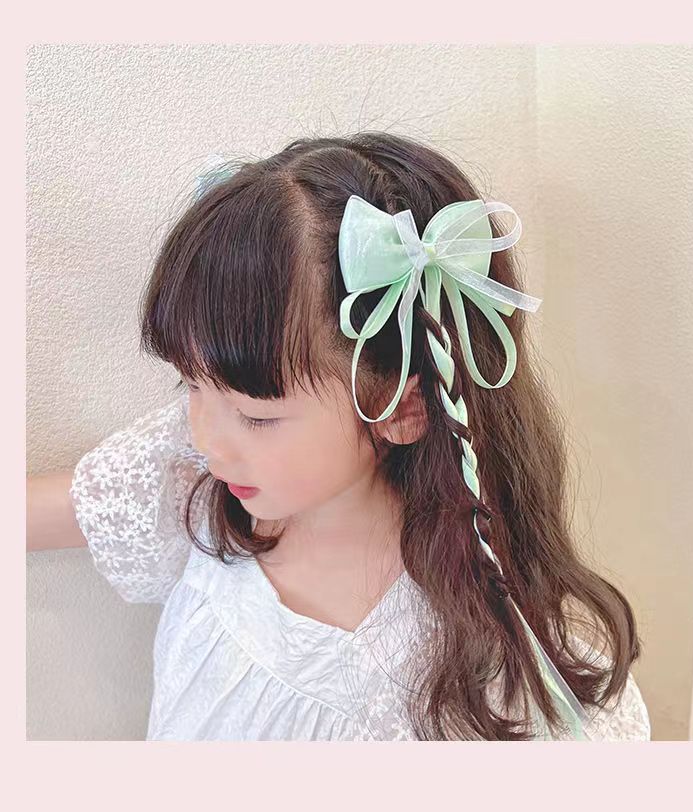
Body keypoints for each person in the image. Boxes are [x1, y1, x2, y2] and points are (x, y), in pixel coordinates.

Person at [27, 131, 651, 741]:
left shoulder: (478, 677)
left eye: (257, 417)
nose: (208, 439)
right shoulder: (200, 484)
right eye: (189, 383)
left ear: (403, 407)